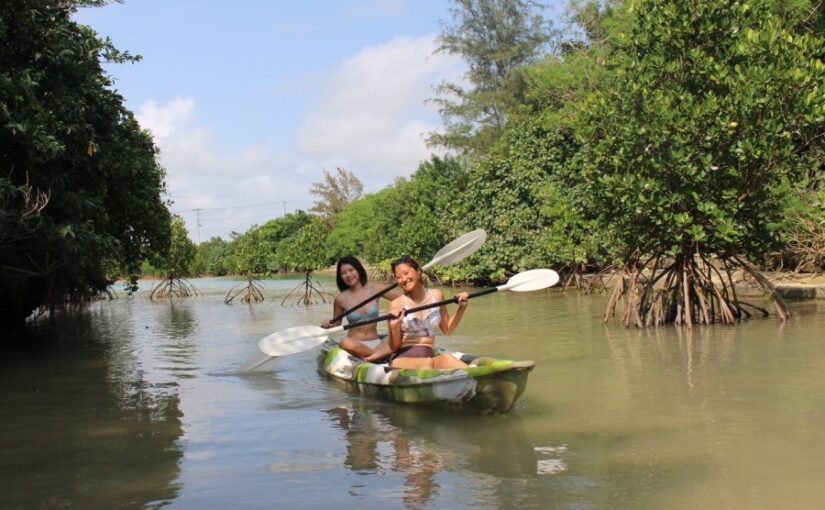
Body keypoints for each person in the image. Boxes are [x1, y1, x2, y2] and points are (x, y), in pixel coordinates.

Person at [366, 256, 469, 369]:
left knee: (446, 359)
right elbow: (394, 346)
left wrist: (461, 308)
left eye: (406, 273)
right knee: (429, 363)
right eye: (398, 277)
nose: (404, 279)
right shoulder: (396, 304)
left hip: (428, 354)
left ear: (418, 271)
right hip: (404, 358)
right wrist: (393, 326)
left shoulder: (437, 295)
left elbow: (447, 330)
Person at [321, 256, 398, 358]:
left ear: (358, 270)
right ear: (340, 277)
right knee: (345, 342)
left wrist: (397, 311)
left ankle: (376, 355)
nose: (348, 275)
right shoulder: (340, 299)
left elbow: (403, 300)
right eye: (343, 273)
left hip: (377, 343)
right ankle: (380, 355)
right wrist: (327, 325)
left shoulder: (376, 289)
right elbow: (336, 324)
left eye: (351, 270)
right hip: (354, 346)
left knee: (398, 335)